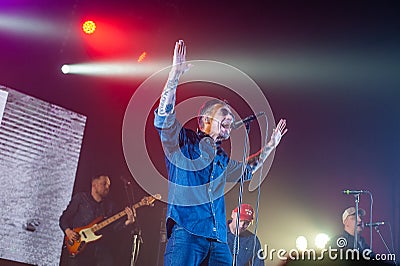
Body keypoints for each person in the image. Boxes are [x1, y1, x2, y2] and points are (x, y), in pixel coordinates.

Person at [154, 40, 287, 265]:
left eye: (232, 116)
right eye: (224, 112)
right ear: (205, 119)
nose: (231, 117)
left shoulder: (221, 159)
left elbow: (247, 169)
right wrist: (174, 76)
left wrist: (270, 145)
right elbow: (164, 116)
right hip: (187, 232)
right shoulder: (184, 142)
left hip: (217, 239)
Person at [59, 175, 136, 266]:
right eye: (104, 184)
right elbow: (64, 218)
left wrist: (127, 222)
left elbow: (113, 228)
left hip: (100, 250)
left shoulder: (110, 205)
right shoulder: (81, 198)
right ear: (94, 184)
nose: (107, 188)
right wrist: (68, 232)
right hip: (80, 249)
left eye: (108, 185)